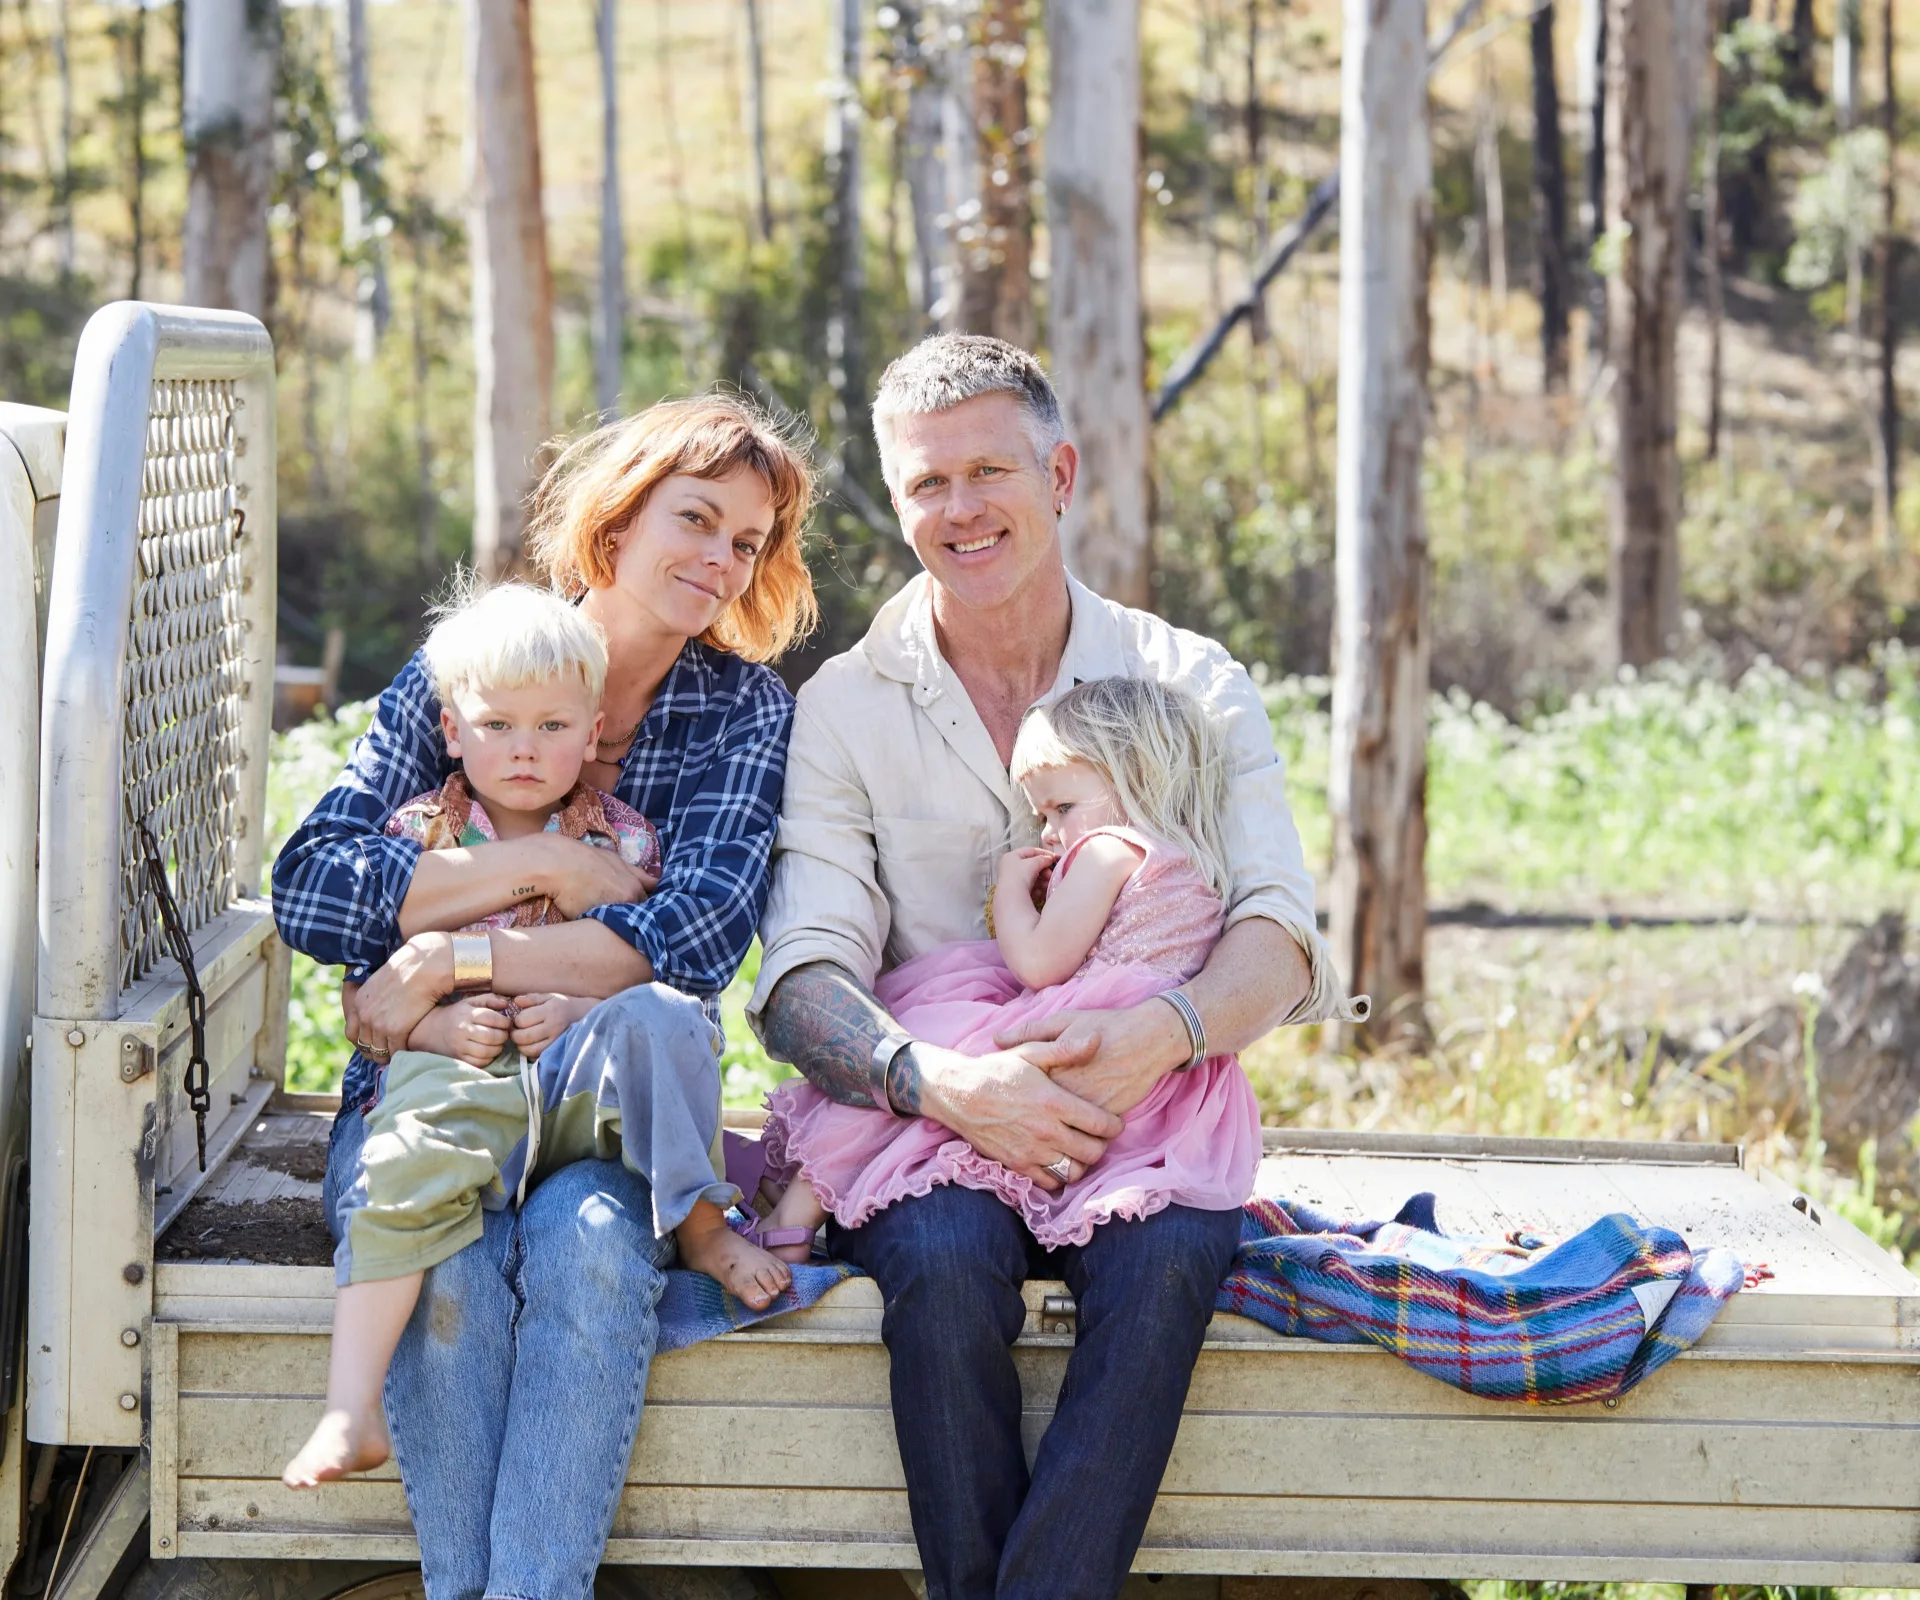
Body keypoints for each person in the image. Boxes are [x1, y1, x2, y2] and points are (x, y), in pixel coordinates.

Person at [750, 335, 1355, 1600]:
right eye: (927, 484)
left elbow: (1279, 935)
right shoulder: (846, 707)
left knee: (1174, 1262)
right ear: (899, 499)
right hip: (942, 1122)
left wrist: (1166, 1031)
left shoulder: (1186, 680)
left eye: (989, 471)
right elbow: (806, 971)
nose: (960, 509)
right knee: (945, 1263)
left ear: (1061, 472)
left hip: (1150, 1106)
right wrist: (939, 1082)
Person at [272, 393, 815, 1600]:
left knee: (591, 1249)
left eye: (750, 541)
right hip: (432, 1083)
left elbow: (694, 936)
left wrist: (449, 955)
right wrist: (543, 869)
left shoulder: (740, 709)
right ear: (617, 522)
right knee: (449, 1270)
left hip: (598, 1100)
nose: (723, 561)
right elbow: (316, 888)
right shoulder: (473, 664)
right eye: (698, 519)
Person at [756, 676, 1259, 1259]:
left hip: (1077, 1023)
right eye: (1043, 815)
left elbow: (1040, 964)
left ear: (1135, 779)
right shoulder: (1199, 864)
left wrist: (1009, 889)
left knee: (928, 1070)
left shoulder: (1106, 849)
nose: (1050, 834)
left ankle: (796, 1208)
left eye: (1062, 809)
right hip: (1155, 1074)